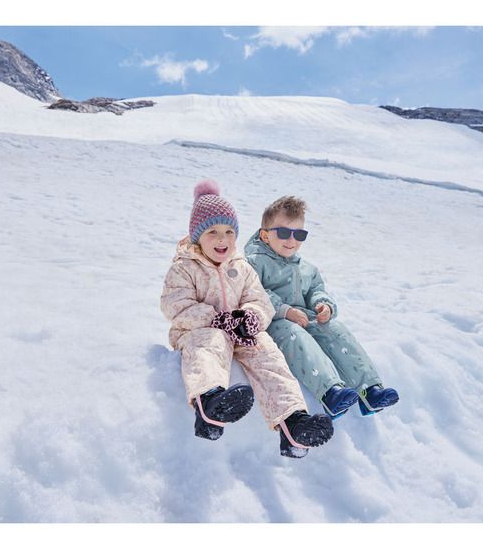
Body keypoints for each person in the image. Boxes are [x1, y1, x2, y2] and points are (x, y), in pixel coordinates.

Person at [160, 180, 334, 458]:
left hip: (239, 333)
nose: (222, 239)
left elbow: (259, 300)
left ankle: (294, 424)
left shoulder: (241, 266)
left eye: (229, 231)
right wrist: (217, 319)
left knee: (267, 352)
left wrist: (249, 318)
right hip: (198, 332)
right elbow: (175, 307)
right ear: (197, 236)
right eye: (213, 231)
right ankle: (211, 403)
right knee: (211, 341)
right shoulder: (184, 268)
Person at [244, 195, 399, 419]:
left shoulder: (306, 267)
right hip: (275, 323)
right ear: (265, 235)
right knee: (295, 334)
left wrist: (322, 304)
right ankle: (330, 394)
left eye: (299, 234)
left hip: (306, 318)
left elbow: (316, 289)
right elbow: (253, 291)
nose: (292, 240)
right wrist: (286, 311)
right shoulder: (253, 262)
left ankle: (370, 390)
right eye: (285, 233)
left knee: (336, 331)